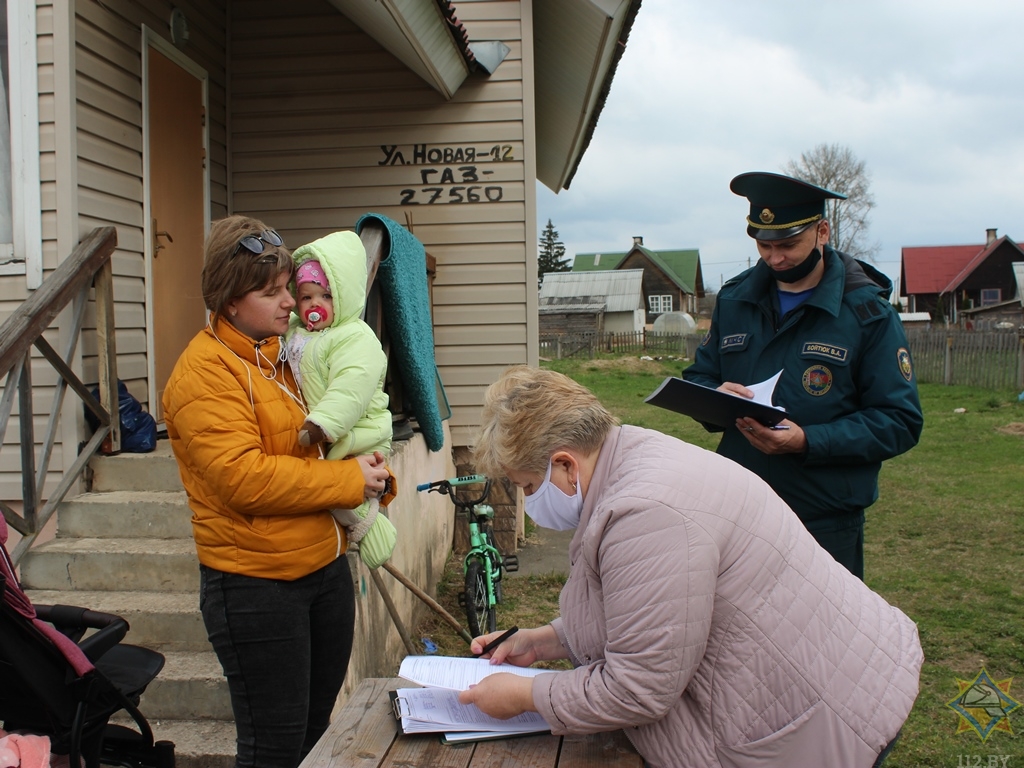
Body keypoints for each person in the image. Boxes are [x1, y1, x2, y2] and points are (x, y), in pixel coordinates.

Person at [458, 366, 922, 768]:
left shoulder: (646, 514)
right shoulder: (632, 452)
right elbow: (652, 607)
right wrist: (542, 643)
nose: (528, 499)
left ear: (565, 464)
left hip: (820, 716)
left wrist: (526, 696)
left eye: (528, 484)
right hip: (822, 680)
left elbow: (639, 688)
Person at [162, 215, 395, 768]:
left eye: (288, 285)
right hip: (256, 589)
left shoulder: (284, 355)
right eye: (271, 292)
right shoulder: (205, 373)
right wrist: (346, 479)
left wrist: (370, 473)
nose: (290, 301)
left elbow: (319, 444)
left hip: (322, 571)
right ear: (228, 299)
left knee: (315, 735)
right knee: (274, 748)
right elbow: (245, 479)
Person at [682, 171, 923, 579]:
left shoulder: (867, 313)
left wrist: (808, 441)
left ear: (822, 231)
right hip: (741, 504)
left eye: (789, 244)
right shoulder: (735, 300)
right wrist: (714, 396)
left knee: (827, 635)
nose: (775, 258)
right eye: (764, 245)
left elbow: (898, 421)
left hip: (823, 515)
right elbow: (700, 376)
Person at [284, 231, 396, 569]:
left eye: (326, 296)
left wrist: (323, 424)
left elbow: (351, 389)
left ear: (344, 297)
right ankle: (364, 520)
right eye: (306, 297)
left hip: (358, 430)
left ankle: (370, 524)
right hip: (325, 433)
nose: (315, 305)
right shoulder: (295, 331)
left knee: (344, 488)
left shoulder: (354, 338)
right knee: (325, 485)